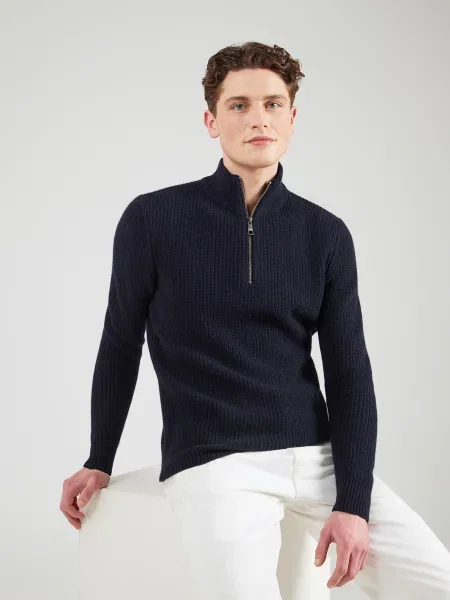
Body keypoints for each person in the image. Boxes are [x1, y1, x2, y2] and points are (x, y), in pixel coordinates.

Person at [60, 41, 450, 598]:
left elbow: (349, 373)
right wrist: (99, 458)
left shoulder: (325, 234)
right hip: (216, 462)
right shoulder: (153, 219)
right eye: (239, 105)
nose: (258, 119)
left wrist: (352, 501)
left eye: (272, 104)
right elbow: (120, 342)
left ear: (292, 118)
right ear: (211, 121)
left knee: (438, 583)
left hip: (318, 459)